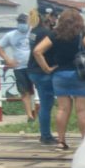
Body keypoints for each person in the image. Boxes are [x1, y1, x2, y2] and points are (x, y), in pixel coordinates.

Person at [32, 8, 85, 150]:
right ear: (79, 21)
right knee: (82, 110)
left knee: (63, 109)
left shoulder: (54, 34)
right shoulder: (82, 34)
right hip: (81, 75)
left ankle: (61, 141)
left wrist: (46, 68)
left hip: (60, 75)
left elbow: (37, 51)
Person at [0, 13, 37, 122]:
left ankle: (37, 113)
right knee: (24, 92)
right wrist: (7, 59)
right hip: (19, 67)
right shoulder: (10, 35)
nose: (22, 24)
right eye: (20, 22)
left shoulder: (34, 32)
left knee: (37, 91)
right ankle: (29, 116)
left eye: (24, 22)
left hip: (34, 66)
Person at [27, 12, 57, 145]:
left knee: (45, 104)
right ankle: (45, 135)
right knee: (46, 105)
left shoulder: (33, 31)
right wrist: (48, 69)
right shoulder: (45, 33)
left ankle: (45, 134)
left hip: (32, 70)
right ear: (48, 18)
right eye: (54, 17)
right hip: (42, 71)